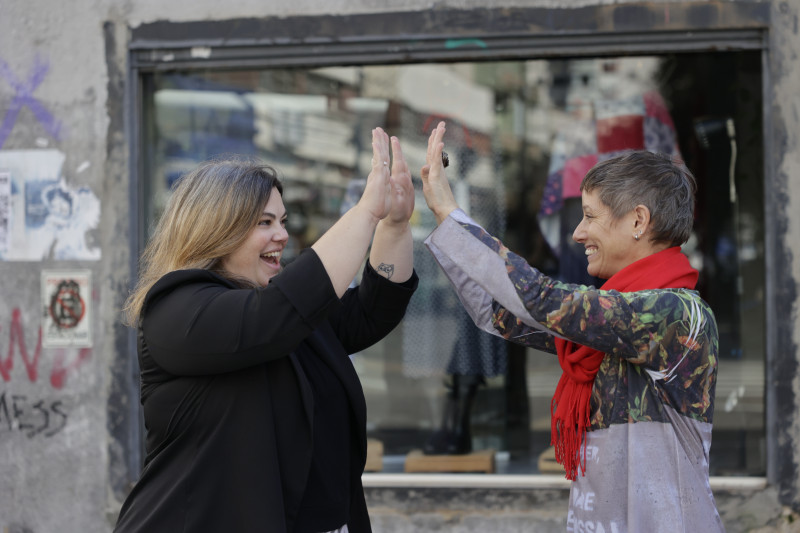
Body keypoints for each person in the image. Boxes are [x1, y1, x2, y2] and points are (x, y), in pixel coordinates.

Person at [419, 121, 723, 532]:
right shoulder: (615, 316)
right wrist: (427, 222)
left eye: (589, 217)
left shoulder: (676, 313)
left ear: (638, 221)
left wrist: (448, 214)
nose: (577, 234)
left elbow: (541, 300)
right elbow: (502, 314)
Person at [114, 127, 418, 533]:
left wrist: (394, 225)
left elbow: (370, 312)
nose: (283, 235)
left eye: (283, 220)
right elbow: (274, 316)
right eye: (264, 222)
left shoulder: (283, 309)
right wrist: (365, 212)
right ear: (216, 229)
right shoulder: (176, 308)